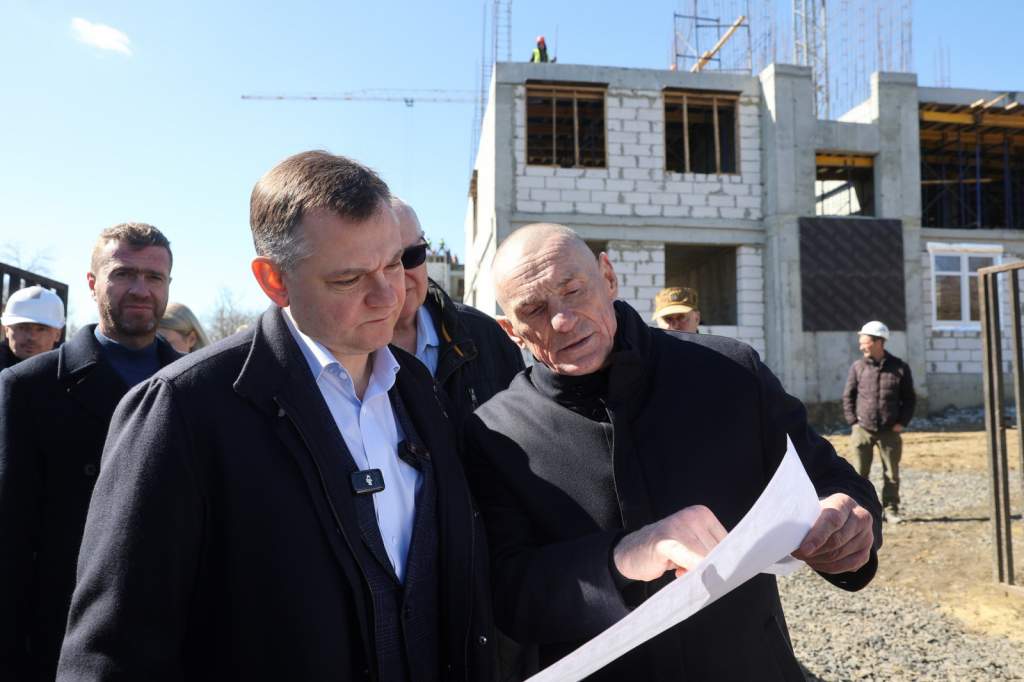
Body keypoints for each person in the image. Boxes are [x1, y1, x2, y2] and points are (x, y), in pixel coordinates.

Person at [57, 151, 494, 681]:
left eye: (394, 264)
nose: (388, 296)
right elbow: (113, 652)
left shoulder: (421, 389)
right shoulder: (182, 409)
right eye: (349, 278)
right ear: (274, 280)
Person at [463, 223, 882, 681]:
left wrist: (848, 522)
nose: (562, 320)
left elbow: (830, 479)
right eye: (535, 310)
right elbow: (507, 594)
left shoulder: (729, 371)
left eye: (574, 290)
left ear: (608, 277)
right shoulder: (496, 433)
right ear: (511, 331)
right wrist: (621, 557)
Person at [0, 222, 179, 681]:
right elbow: (11, 537)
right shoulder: (29, 388)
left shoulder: (200, 385)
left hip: (177, 633)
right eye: (124, 274)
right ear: (92, 282)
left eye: (154, 277)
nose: (140, 289)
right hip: (67, 636)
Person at [389, 198, 524, 427]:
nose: (400, 274)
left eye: (412, 256)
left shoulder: (485, 334)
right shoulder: (341, 355)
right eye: (387, 263)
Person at [842, 320, 915, 525]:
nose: (861, 346)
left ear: (878, 342)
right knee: (859, 475)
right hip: (862, 430)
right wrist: (853, 422)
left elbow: (909, 399)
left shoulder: (899, 368)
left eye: (864, 342)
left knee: (891, 474)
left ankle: (891, 510)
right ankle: (861, 512)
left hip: (890, 430)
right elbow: (848, 396)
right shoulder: (857, 367)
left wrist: (902, 422)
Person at [0, 286, 65, 369]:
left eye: (41, 329)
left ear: (57, 335)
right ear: (6, 330)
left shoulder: (70, 374)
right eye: (22, 327)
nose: (31, 337)